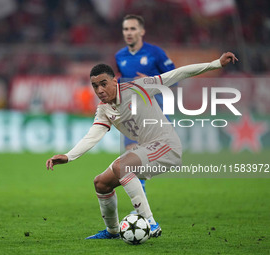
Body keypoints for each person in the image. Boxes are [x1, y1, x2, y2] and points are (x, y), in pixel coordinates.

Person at [46, 52, 238, 239]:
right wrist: (69, 156)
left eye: (103, 84)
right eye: (95, 86)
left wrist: (216, 64)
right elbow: (92, 136)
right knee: (101, 183)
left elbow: (177, 74)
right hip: (145, 149)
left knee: (123, 166)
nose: (99, 90)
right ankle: (112, 231)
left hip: (167, 146)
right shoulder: (104, 109)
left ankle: (151, 223)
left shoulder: (138, 87)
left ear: (115, 81)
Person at [115, 14, 176, 195]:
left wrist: (151, 81)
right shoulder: (120, 56)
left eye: (133, 29)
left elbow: (175, 78)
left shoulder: (155, 53)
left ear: (142, 31)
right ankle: (140, 210)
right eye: (126, 29)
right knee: (132, 158)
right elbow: (121, 81)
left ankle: (141, 209)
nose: (129, 33)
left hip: (155, 111)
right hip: (132, 112)